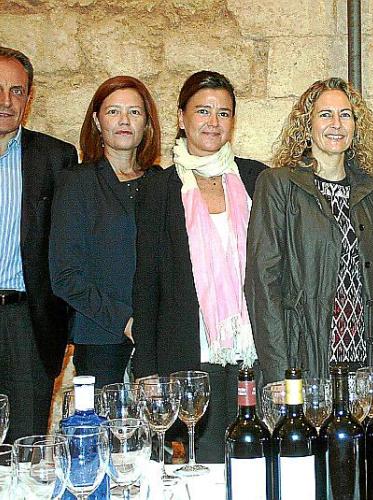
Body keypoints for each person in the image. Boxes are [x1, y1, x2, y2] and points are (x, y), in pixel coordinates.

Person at [133, 71, 266, 462]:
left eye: (223, 113)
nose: (213, 122)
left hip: (252, 353)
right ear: (181, 117)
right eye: (203, 111)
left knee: (252, 459)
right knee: (202, 459)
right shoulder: (159, 188)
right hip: (189, 353)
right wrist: (147, 371)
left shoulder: (257, 178)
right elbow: (146, 284)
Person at [246, 77, 373, 386]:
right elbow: (262, 284)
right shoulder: (278, 185)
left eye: (345, 115)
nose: (336, 124)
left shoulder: (370, 191)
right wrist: (280, 376)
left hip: (364, 360)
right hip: (303, 359)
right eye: (325, 114)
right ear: (307, 124)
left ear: (356, 126)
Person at [49, 76, 161, 388]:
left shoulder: (162, 182)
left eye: (134, 112)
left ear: (147, 124)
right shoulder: (76, 183)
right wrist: (126, 322)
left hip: (158, 338)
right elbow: (65, 276)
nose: (125, 120)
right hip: (100, 338)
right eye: (114, 111)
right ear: (98, 121)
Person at [0, 47, 77, 442]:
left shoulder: (55, 158)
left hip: (25, 323)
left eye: (16, 91)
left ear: (28, 99)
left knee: (25, 444)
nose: (5, 101)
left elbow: (69, 245)